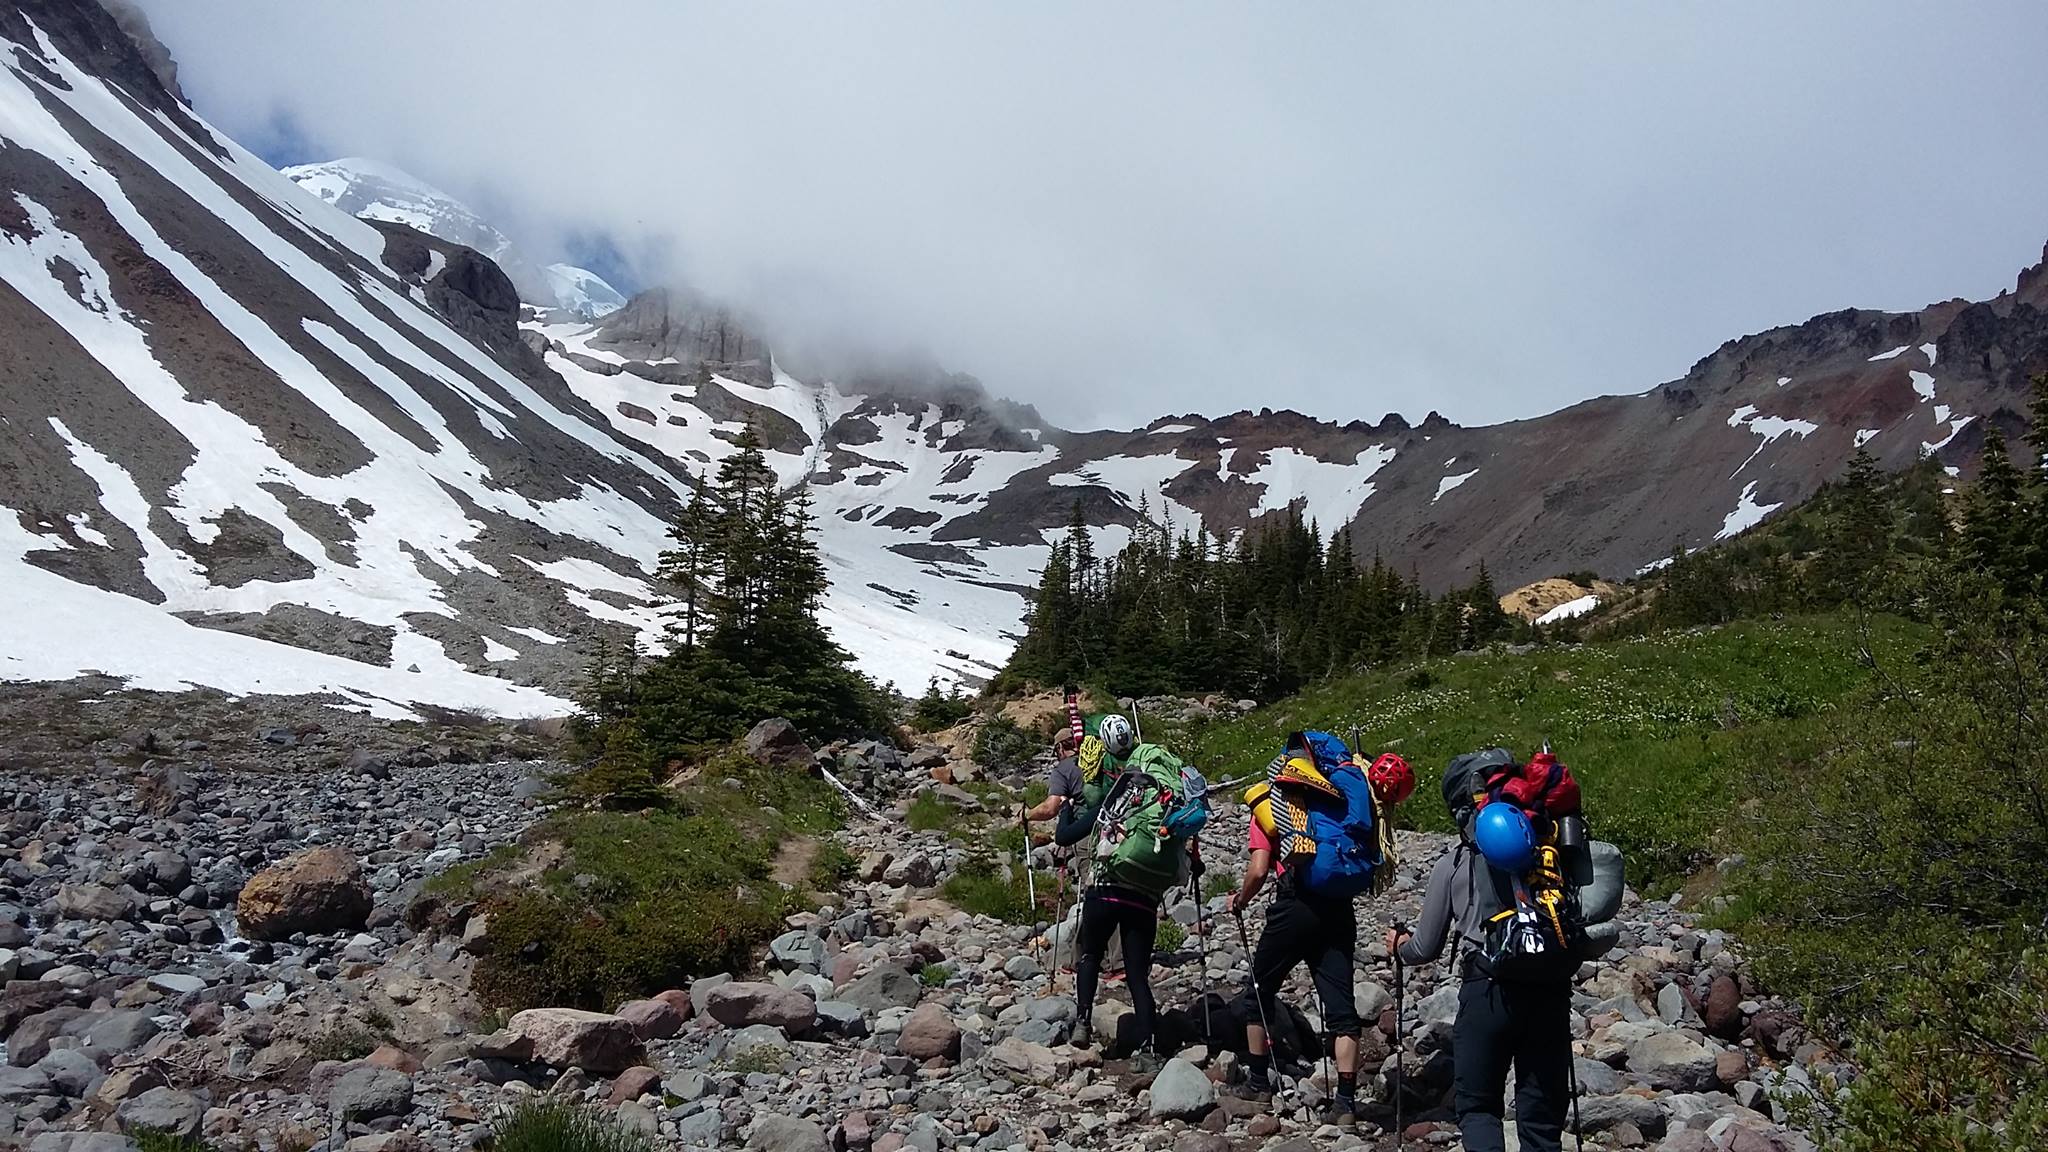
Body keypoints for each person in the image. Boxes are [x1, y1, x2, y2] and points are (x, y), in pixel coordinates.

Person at [1389, 786, 1572, 1152]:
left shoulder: (1455, 863)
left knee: (1478, 1107)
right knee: (1542, 1118)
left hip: (1486, 991)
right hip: (1549, 991)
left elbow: (1425, 948)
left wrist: (1398, 947)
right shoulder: (1551, 854)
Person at [1064, 715, 1196, 1065]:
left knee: (1090, 955)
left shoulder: (1119, 794)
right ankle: (1149, 1048)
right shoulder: (1162, 796)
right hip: (1145, 896)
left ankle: (1082, 1022)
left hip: (1106, 888)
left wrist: (1066, 812)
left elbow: (1066, 835)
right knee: (1137, 973)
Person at [1229, 802, 1364, 1124]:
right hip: (1338, 909)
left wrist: (1240, 900)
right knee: (1341, 1010)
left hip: (1295, 906)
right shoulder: (1337, 806)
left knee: (1258, 993)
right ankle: (1345, 1103)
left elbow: (1259, 869)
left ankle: (1259, 1084)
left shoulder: (1270, 806)